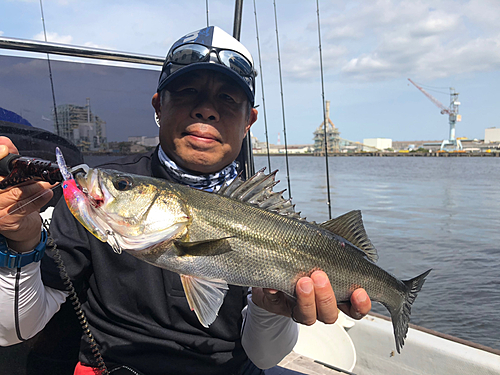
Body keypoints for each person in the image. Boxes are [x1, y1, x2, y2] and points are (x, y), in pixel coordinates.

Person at [0, 26, 371, 374]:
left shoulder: (262, 215)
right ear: (159, 106)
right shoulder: (99, 199)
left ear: (249, 121)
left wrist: (270, 308)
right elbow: (16, 330)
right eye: (188, 91)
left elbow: (263, 355)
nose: (206, 110)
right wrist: (19, 240)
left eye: (227, 98)